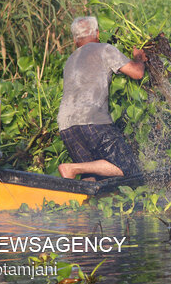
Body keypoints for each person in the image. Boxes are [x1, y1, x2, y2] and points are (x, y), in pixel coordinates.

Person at [57, 16, 146, 180]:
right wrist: (138, 57)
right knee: (129, 170)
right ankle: (72, 168)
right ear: (97, 33)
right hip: (93, 121)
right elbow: (137, 73)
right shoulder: (104, 49)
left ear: (75, 40)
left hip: (65, 125)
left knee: (91, 179)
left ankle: (85, 202)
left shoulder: (70, 59)